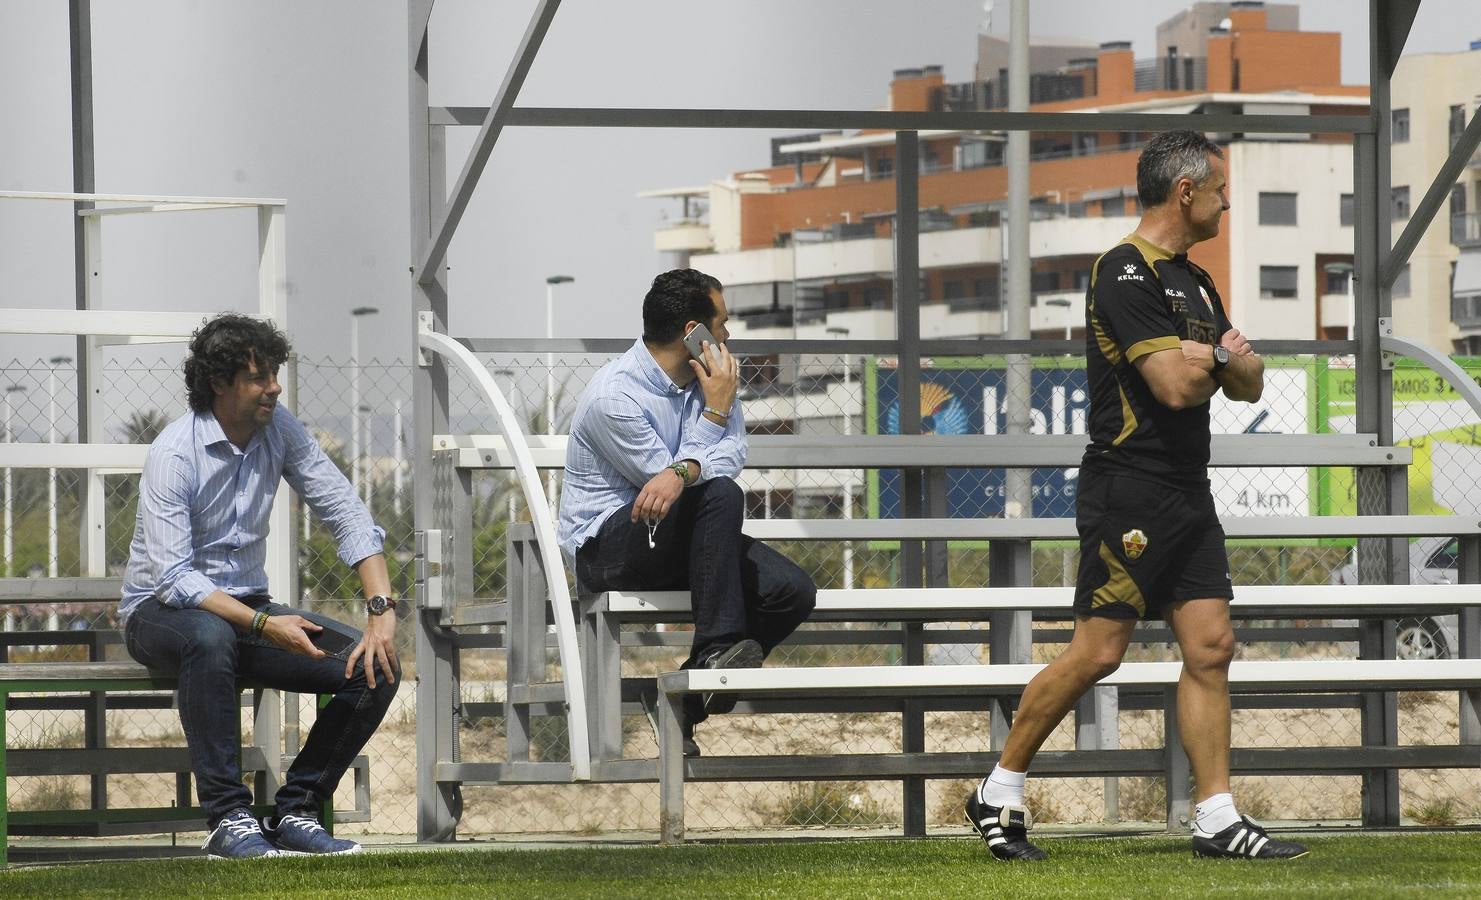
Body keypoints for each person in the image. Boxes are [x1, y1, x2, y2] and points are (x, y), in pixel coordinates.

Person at [964, 130, 1307, 862]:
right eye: (1219, 189)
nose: (1226, 201)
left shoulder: (1197, 280)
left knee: (1211, 647)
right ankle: (998, 786)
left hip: (1188, 490)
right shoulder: (1123, 271)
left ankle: (1215, 818)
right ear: (1185, 191)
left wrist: (1213, 356)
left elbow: (1249, 380)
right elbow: (1175, 386)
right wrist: (1218, 358)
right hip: (1130, 488)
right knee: (1097, 653)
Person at [120, 314, 399, 859]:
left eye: (274, 372)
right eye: (257, 377)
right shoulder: (174, 453)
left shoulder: (280, 429)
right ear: (220, 384)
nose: (273, 385)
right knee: (208, 637)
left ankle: (296, 810)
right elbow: (175, 579)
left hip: (246, 614)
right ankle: (228, 819)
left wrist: (380, 608)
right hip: (158, 613)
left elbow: (344, 512)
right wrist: (267, 626)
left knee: (375, 668)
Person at [558, 268, 816, 757]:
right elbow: (664, 485)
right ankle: (717, 650)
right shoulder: (614, 396)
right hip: (610, 547)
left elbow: (729, 457)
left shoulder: (712, 381)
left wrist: (689, 463)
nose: (727, 334)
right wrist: (712, 420)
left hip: (686, 537)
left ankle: (683, 698)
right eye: (720, 324)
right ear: (691, 333)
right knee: (721, 496)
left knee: (793, 591)